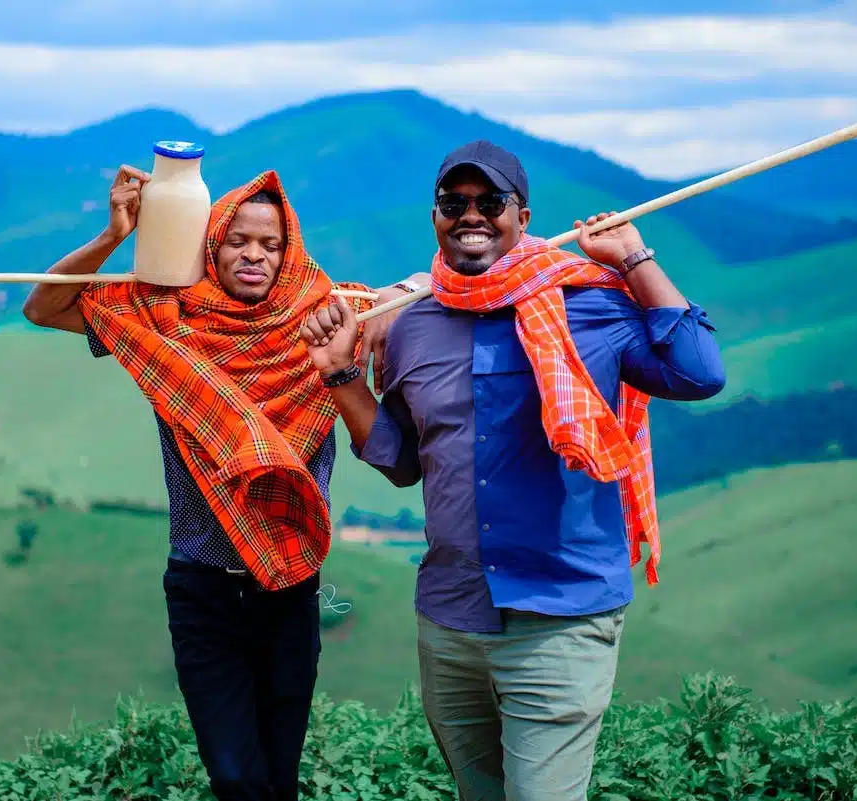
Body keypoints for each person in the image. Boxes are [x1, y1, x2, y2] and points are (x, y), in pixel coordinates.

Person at [299, 140, 726, 800]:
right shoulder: (412, 324)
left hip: (560, 615)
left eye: (489, 202)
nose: (471, 214)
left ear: (521, 216)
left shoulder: (588, 304)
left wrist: (636, 259)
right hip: (451, 620)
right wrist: (339, 374)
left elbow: (698, 371)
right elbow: (405, 460)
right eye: (453, 202)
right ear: (436, 216)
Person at [22, 164, 426, 801]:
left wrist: (407, 284)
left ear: (288, 251)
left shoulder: (323, 317)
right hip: (202, 587)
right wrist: (113, 235)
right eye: (239, 241)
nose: (254, 255)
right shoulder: (162, 317)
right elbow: (42, 306)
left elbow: (432, 289)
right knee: (236, 778)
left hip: (291, 583)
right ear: (210, 244)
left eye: (271, 245)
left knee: (277, 779)